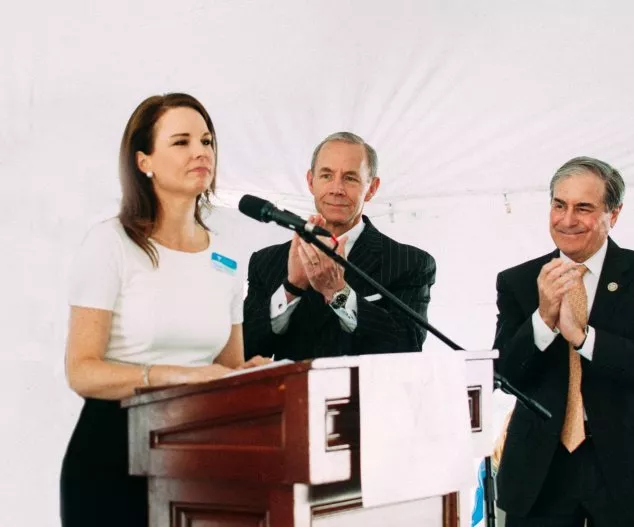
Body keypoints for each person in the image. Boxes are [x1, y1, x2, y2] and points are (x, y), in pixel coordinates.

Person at [60, 93, 268, 527]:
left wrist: (252, 374)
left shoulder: (226, 254)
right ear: (143, 161)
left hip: (199, 455)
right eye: (181, 141)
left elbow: (226, 367)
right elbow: (81, 371)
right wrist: (176, 375)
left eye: (207, 140)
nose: (201, 152)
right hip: (115, 453)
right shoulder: (110, 243)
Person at [493, 156, 634, 526]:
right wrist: (542, 321)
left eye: (583, 208)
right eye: (559, 205)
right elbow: (505, 376)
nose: (567, 220)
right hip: (541, 469)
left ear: (613, 215)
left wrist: (584, 338)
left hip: (632, 467)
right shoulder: (519, 281)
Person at [243, 132, 436, 361]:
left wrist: (338, 292)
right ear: (310, 181)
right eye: (326, 175)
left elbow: (408, 346)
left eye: (350, 178)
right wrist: (291, 289)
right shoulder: (266, 262)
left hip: (366, 396)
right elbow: (244, 351)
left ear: (372, 188)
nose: (337, 189)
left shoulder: (410, 263)